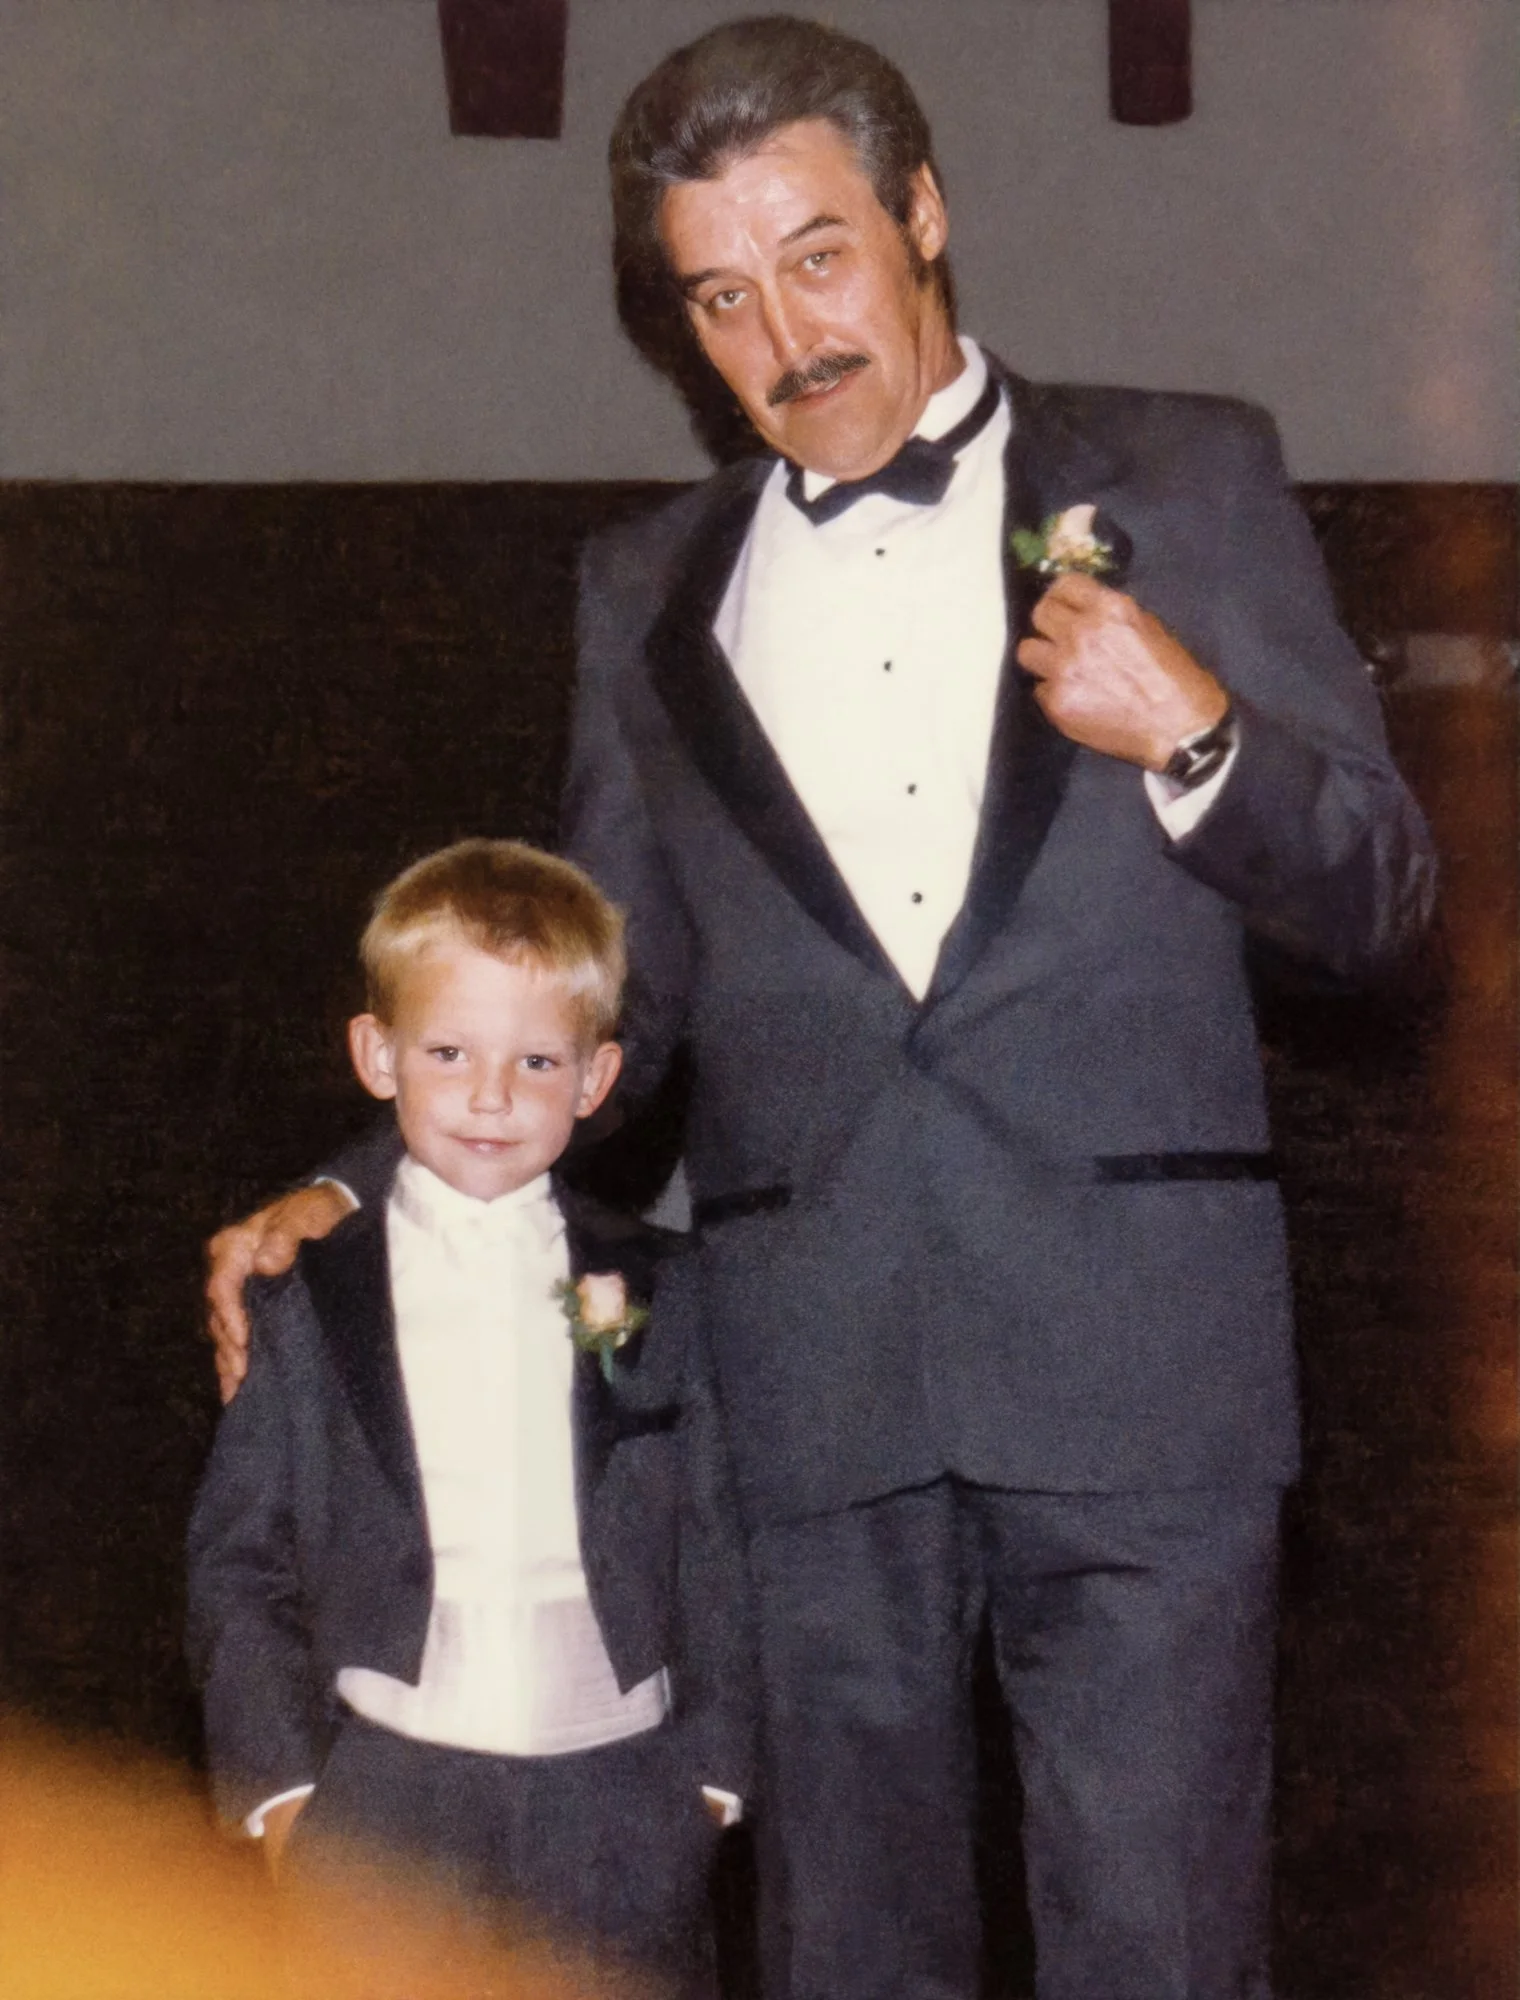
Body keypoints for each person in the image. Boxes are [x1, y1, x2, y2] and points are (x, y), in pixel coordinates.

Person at [205, 18, 1437, 1999]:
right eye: (719, 293)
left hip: (1140, 1374)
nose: (784, 331)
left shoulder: (1188, 472)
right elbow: (593, 1009)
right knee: (850, 1958)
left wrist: (1194, 730)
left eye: (818, 253)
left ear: (924, 214)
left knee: (1165, 1947)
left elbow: (1385, 899)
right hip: (805, 1388)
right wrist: (362, 1194)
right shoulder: (644, 591)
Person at [187, 839, 750, 1996]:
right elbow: (240, 1559)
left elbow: (718, 1537)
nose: (492, 1095)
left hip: (624, 1800)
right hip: (385, 1798)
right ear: (376, 1054)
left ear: (594, 1081)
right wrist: (288, 1792)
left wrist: (711, 1773)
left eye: (536, 1059)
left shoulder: (666, 1283)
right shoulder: (307, 1293)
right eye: (449, 1051)